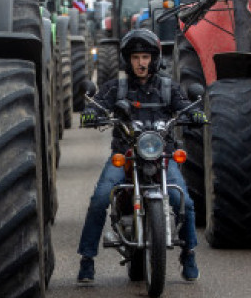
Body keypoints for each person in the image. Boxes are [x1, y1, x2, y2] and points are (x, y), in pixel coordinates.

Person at [76, 29, 208, 283]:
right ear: (128, 60)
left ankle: (188, 253)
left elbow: (184, 105)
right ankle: (87, 259)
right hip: (125, 155)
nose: (141, 62)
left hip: (162, 157)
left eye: (145, 57)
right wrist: (91, 113)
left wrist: (196, 113)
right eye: (136, 57)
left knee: (186, 202)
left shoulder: (168, 88)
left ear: (154, 59)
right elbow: (96, 104)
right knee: (101, 197)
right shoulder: (117, 87)